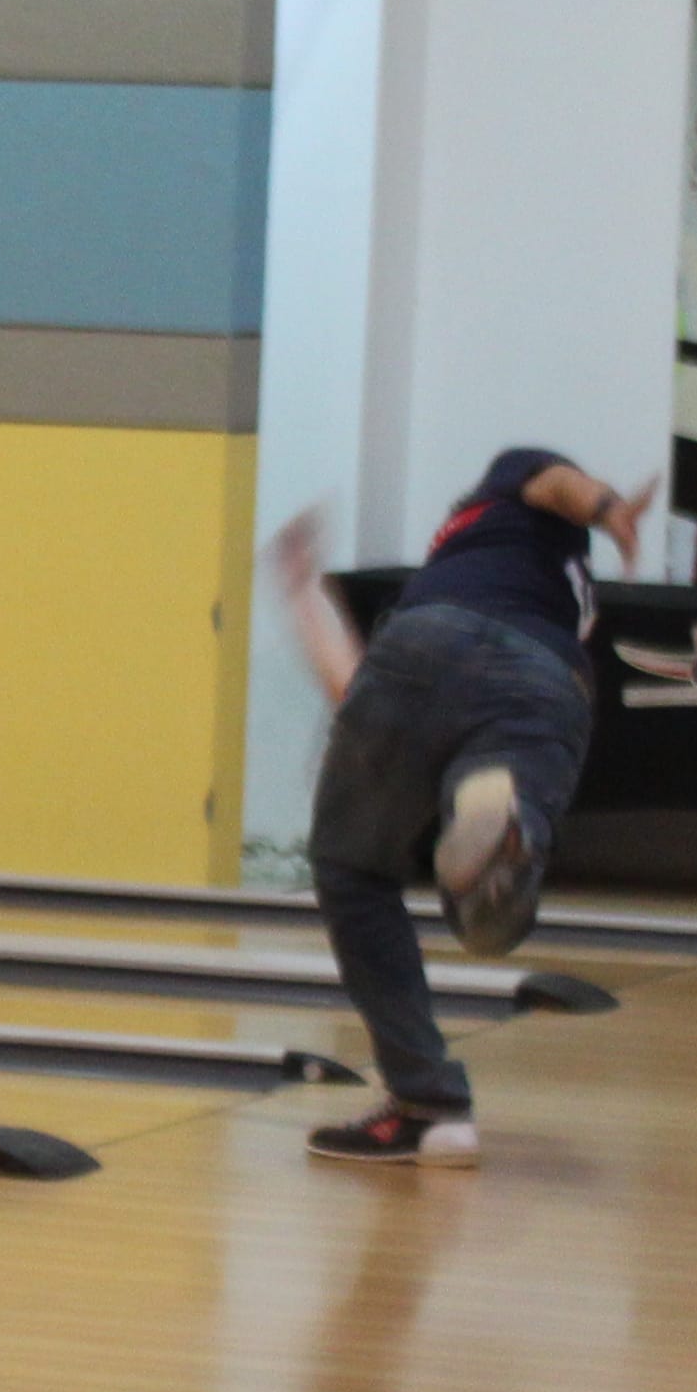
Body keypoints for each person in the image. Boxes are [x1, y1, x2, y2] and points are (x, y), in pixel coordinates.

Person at [266, 447, 651, 1169]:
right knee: (493, 919)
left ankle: (428, 1105)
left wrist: (606, 508)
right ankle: (505, 823)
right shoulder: (568, 598)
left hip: (422, 646)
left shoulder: (499, 496)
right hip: (551, 681)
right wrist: (305, 597)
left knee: (353, 869)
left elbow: (559, 482)